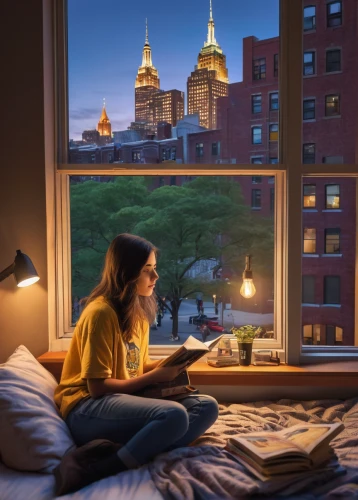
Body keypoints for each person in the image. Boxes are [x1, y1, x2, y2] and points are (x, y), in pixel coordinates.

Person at [54, 233, 218, 495]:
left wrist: (172, 364)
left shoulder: (137, 314)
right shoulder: (100, 313)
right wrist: (156, 378)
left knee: (206, 406)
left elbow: (137, 368)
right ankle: (100, 470)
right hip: (86, 408)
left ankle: (136, 450)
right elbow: (97, 387)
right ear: (126, 273)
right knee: (174, 416)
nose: (156, 277)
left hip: (120, 399)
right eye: (147, 270)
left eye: (155, 269)